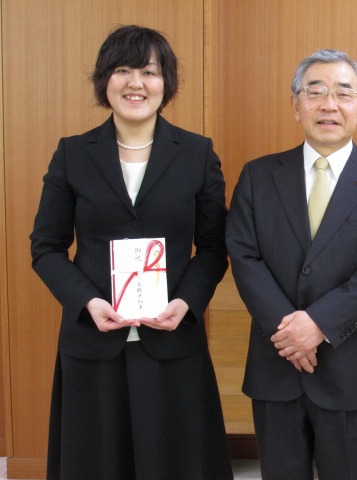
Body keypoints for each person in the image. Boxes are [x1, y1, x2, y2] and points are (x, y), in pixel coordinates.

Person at [30, 25, 233, 480]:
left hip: (172, 338)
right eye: (123, 70)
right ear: (105, 80)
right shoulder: (73, 154)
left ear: (167, 84)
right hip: (94, 339)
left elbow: (215, 247)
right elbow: (45, 247)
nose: (136, 83)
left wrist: (186, 302)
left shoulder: (197, 154)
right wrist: (87, 301)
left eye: (149, 71)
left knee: (175, 464)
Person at [225, 49, 357, 480]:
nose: (329, 104)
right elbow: (244, 255)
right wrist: (289, 330)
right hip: (277, 363)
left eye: (343, 93)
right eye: (315, 92)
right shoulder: (258, 176)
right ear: (296, 105)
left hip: (349, 368)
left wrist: (318, 325)